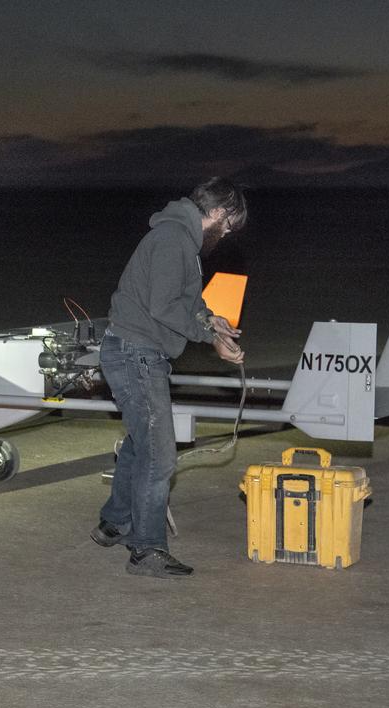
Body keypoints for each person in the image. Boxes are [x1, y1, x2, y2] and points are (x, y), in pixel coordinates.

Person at [91, 178, 247, 578]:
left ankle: (115, 522)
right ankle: (146, 551)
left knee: (141, 443)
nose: (228, 234)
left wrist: (213, 321)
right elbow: (162, 307)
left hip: (134, 352)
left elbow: (185, 302)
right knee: (160, 455)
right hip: (135, 354)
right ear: (218, 213)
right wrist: (210, 338)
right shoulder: (173, 239)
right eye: (229, 225)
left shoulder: (182, 241)